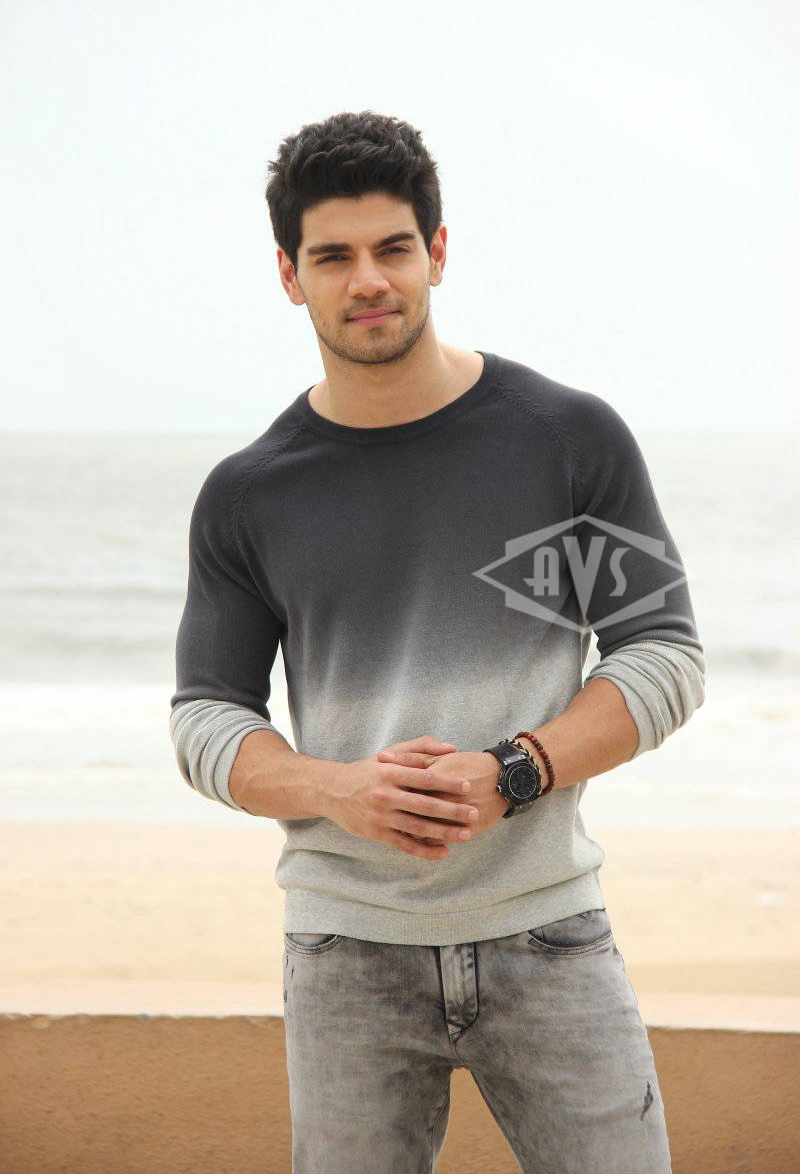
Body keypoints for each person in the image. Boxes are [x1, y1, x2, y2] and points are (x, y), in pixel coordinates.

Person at [169, 109, 705, 1173]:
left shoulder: (564, 439)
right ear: (289, 276)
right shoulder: (249, 494)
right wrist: (337, 790)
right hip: (344, 949)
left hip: (548, 930)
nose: (368, 280)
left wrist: (513, 769)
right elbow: (206, 718)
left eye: (393, 248)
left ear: (438, 252)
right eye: (333, 256)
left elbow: (662, 656)